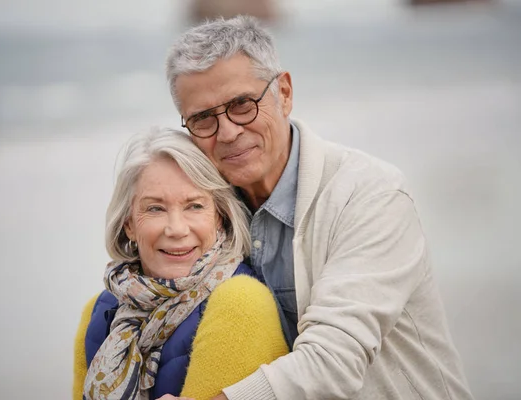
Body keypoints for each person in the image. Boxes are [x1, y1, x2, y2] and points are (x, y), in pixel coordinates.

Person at [163, 15, 475, 400]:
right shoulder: (204, 212)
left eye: (242, 104)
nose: (227, 132)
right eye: (203, 118)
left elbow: (333, 361)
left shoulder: (371, 194)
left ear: (285, 92)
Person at [75, 127, 288, 400]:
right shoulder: (99, 310)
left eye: (194, 206)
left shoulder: (240, 302)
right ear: (128, 224)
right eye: (155, 208)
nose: (176, 229)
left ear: (219, 216)